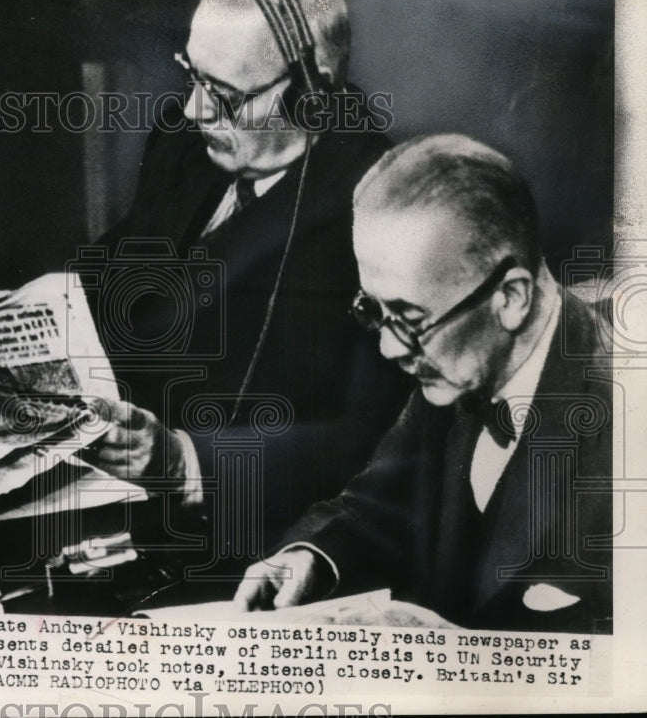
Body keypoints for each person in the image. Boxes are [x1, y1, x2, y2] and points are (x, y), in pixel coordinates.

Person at [83, 0, 409, 571]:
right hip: (99, 489)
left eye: (227, 94)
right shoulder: (188, 141)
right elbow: (115, 268)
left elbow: (369, 442)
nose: (197, 108)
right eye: (193, 75)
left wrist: (183, 460)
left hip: (240, 543)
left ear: (311, 95)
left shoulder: (380, 208)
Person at [233, 134, 612, 633]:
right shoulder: (457, 365)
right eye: (374, 311)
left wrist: (461, 656)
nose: (390, 348)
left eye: (410, 318)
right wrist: (314, 556)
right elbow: (380, 505)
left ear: (512, 297)